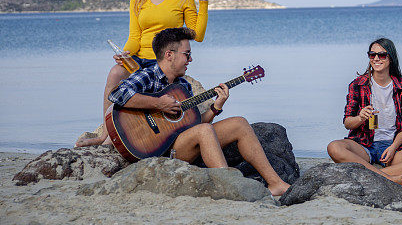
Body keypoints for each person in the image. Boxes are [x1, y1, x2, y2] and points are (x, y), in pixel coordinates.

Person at [106, 27, 290, 197]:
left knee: (239, 123)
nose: (191, 60)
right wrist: (158, 103)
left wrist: (216, 107)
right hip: (156, 149)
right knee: (204, 131)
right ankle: (230, 186)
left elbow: (193, 124)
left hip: (182, 145)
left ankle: (276, 184)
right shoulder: (148, 75)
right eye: (187, 54)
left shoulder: (183, 85)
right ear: (169, 55)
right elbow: (117, 94)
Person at [79, 0, 213, 146]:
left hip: (164, 61)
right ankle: (106, 136)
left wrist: (203, 2)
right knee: (115, 73)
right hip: (139, 59)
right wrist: (125, 53)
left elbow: (198, 35)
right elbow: (135, 36)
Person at [327, 38, 402, 186]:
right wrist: (360, 117)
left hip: (391, 146)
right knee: (334, 147)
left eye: (382, 55)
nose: (376, 58)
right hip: (363, 144)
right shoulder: (357, 85)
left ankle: (371, 173)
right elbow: (347, 123)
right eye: (372, 55)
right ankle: (389, 178)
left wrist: (392, 148)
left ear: (390, 58)